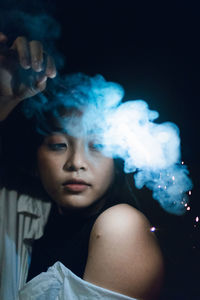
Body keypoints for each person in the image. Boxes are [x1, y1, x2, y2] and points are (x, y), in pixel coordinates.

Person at [0, 33, 164, 300]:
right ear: (36, 156)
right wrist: (4, 97)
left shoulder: (121, 226)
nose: (76, 163)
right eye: (58, 145)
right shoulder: (19, 207)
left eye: (98, 145)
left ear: (118, 159)